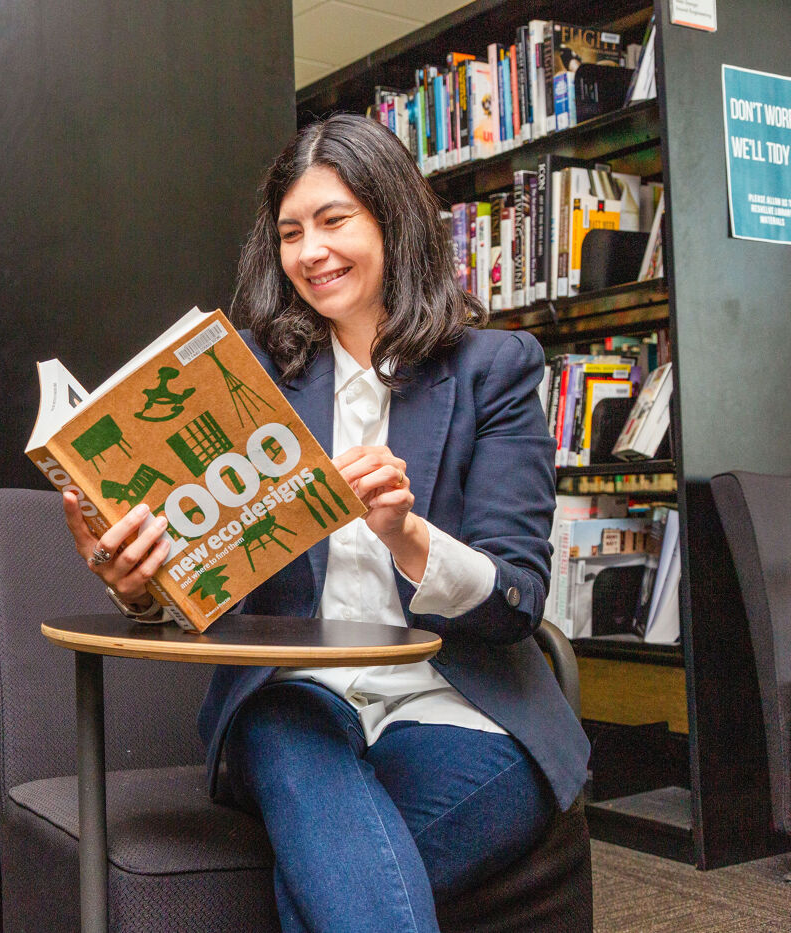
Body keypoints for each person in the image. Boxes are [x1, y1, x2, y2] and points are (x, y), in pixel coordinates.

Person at [60, 113, 590, 933]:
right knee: (298, 758)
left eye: (335, 220)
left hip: (460, 703)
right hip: (296, 703)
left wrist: (407, 535)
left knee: (338, 881)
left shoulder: (495, 368)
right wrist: (137, 584)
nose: (311, 253)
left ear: (394, 219)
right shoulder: (243, 378)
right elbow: (212, 586)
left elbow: (518, 597)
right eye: (291, 232)